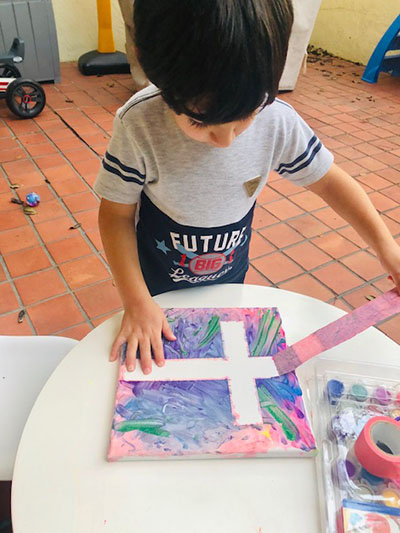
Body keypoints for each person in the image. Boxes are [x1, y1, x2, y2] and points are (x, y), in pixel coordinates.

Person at [95, 0, 400, 375]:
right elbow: (115, 215)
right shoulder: (139, 125)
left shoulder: (275, 120)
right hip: (156, 282)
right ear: (150, 64)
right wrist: (137, 301)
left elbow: (332, 184)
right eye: (198, 122)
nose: (226, 141)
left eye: (245, 118)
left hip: (230, 274)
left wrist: (387, 247)